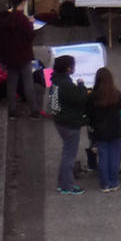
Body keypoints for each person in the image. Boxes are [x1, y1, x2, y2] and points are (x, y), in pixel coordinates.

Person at [85, 67, 121, 193]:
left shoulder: (93, 96)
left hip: (99, 131)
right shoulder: (116, 94)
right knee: (115, 157)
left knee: (103, 157)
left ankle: (105, 184)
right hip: (115, 130)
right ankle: (114, 182)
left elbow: (87, 113)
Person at [48, 55, 88, 194]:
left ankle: (62, 182)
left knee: (66, 153)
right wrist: (82, 85)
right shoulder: (66, 85)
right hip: (70, 124)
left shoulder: (55, 81)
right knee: (69, 156)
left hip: (59, 121)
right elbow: (81, 99)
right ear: (68, 69)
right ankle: (67, 186)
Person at [1, 0, 43, 118]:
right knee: (28, 83)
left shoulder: (4, 19)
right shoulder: (23, 20)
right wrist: (31, 23)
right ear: (23, 3)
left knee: (11, 84)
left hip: (9, 56)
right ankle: (34, 111)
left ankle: (12, 111)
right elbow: (30, 36)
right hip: (24, 56)